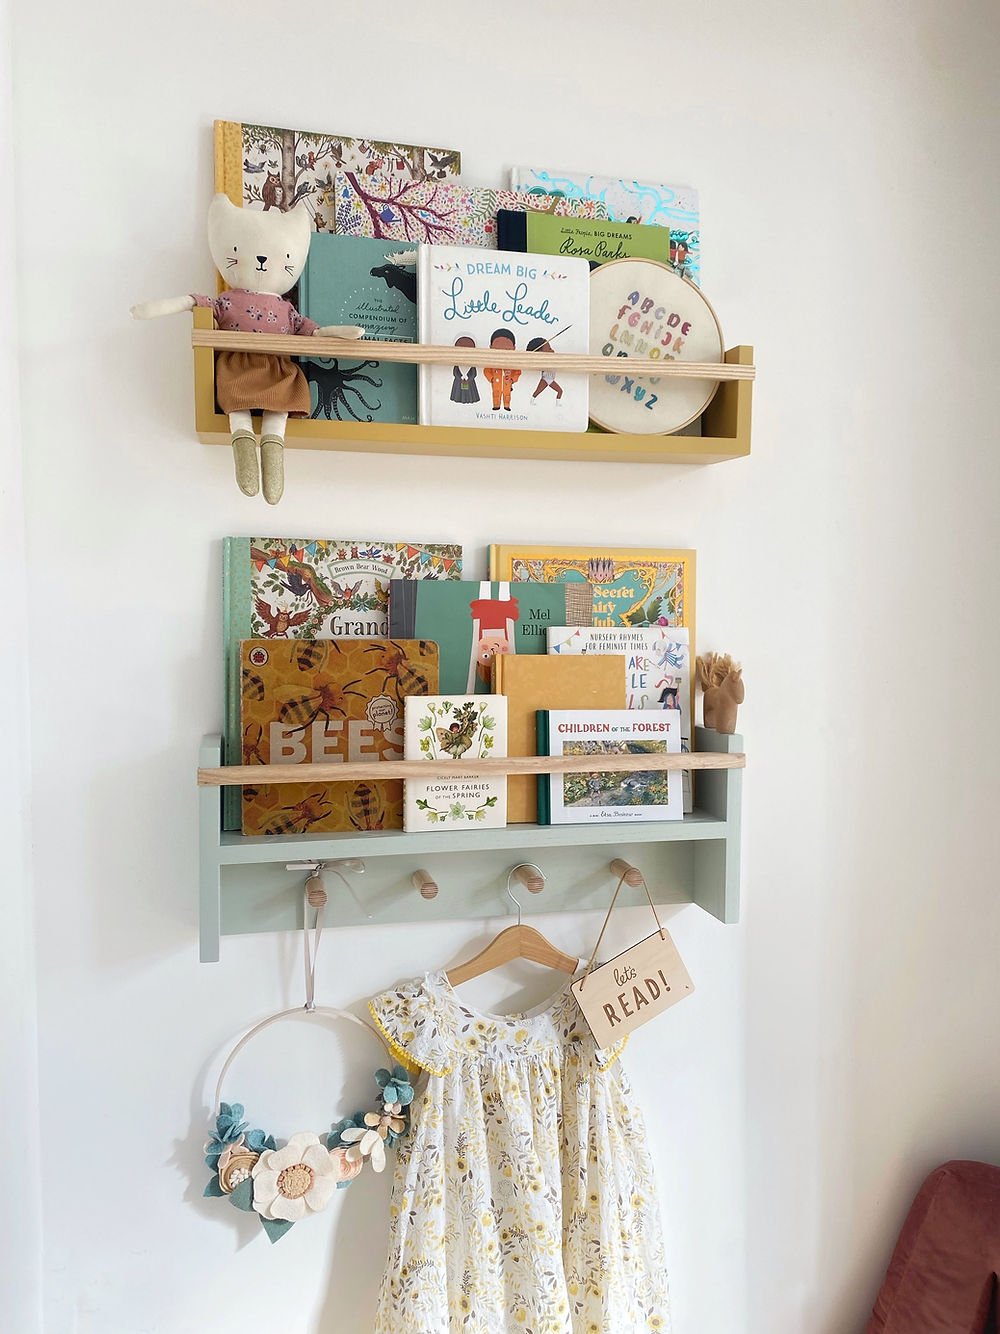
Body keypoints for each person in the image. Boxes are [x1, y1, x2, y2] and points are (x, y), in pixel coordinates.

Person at [483, 328, 520, 411]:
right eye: (497, 349)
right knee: (496, 395)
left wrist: (512, 379)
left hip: (507, 383)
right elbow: (486, 370)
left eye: (507, 349)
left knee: (507, 395)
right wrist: (492, 379)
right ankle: (496, 405)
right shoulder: (491, 362)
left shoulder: (513, 363)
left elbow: (517, 372)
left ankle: (507, 405)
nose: (502, 352)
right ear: (491, 347)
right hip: (496, 383)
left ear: (514, 348)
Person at [526, 336, 563, 400]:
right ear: (540, 353)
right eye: (549, 349)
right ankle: (558, 404)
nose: (553, 351)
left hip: (547, 378)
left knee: (537, 392)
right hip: (548, 378)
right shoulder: (544, 362)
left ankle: (532, 400)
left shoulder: (551, 361)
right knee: (560, 391)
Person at [450, 336, 479, 404]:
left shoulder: (472, 364)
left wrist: (469, 378)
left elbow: (474, 373)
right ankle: (458, 399)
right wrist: (460, 378)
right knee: (459, 392)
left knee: (469, 392)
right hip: (459, 381)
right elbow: (455, 372)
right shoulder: (457, 363)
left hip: (469, 381)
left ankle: (470, 399)